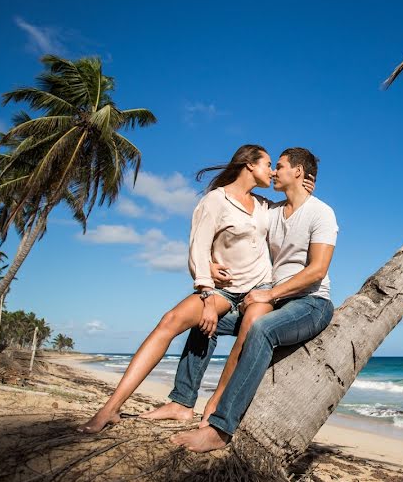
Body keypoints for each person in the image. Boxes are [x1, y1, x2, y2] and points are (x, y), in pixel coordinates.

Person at [77, 144, 283, 433]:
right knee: (172, 320)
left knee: (248, 329)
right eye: (268, 164)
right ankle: (111, 409)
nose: (272, 170)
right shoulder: (215, 201)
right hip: (222, 290)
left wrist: (304, 185)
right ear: (249, 165)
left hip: (259, 289)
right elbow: (198, 248)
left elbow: (295, 208)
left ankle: (212, 406)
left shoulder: (265, 206)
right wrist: (208, 290)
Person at [159, 148, 337, 452]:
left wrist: (269, 293)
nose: (273, 172)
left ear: (297, 172)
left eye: (279, 167)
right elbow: (237, 222)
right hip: (277, 301)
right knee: (206, 320)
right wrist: (210, 264)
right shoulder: (271, 212)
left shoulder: (321, 212)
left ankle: (220, 428)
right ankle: (182, 401)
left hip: (311, 304)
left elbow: (317, 270)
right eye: (272, 166)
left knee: (262, 330)